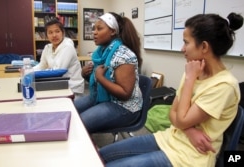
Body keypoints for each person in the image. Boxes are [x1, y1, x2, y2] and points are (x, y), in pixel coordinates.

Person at [99, 12, 243, 167]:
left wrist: (189, 80)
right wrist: (189, 131)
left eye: (186, 43)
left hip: (191, 157)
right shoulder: (192, 71)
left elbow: (180, 120)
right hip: (170, 138)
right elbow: (172, 114)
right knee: (101, 156)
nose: (182, 49)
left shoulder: (223, 86)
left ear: (204, 47)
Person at [73, 12, 143, 133]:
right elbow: (102, 80)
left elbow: (125, 94)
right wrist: (86, 75)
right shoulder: (101, 52)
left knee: (78, 125)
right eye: (94, 28)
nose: (94, 32)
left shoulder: (123, 55)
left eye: (99, 28)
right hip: (106, 97)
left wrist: (100, 78)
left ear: (112, 31)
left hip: (124, 107)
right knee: (70, 111)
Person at [33, 18, 84, 97]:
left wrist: (33, 74)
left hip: (72, 88)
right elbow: (42, 66)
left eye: (57, 31)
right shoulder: (47, 48)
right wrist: (27, 70)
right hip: (57, 85)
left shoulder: (68, 47)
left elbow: (58, 70)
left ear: (63, 33)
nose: (54, 35)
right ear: (46, 35)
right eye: (50, 32)